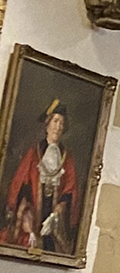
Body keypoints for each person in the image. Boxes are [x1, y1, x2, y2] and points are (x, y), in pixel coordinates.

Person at [6, 99, 79, 255]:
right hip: (31, 216)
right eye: (55, 121)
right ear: (47, 124)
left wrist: (57, 213)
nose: (58, 127)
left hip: (54, 220)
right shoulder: (34, 153)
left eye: (61, 123)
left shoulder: (67, 158)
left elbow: (69, 190)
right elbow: (21, 188)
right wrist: (27, 222)